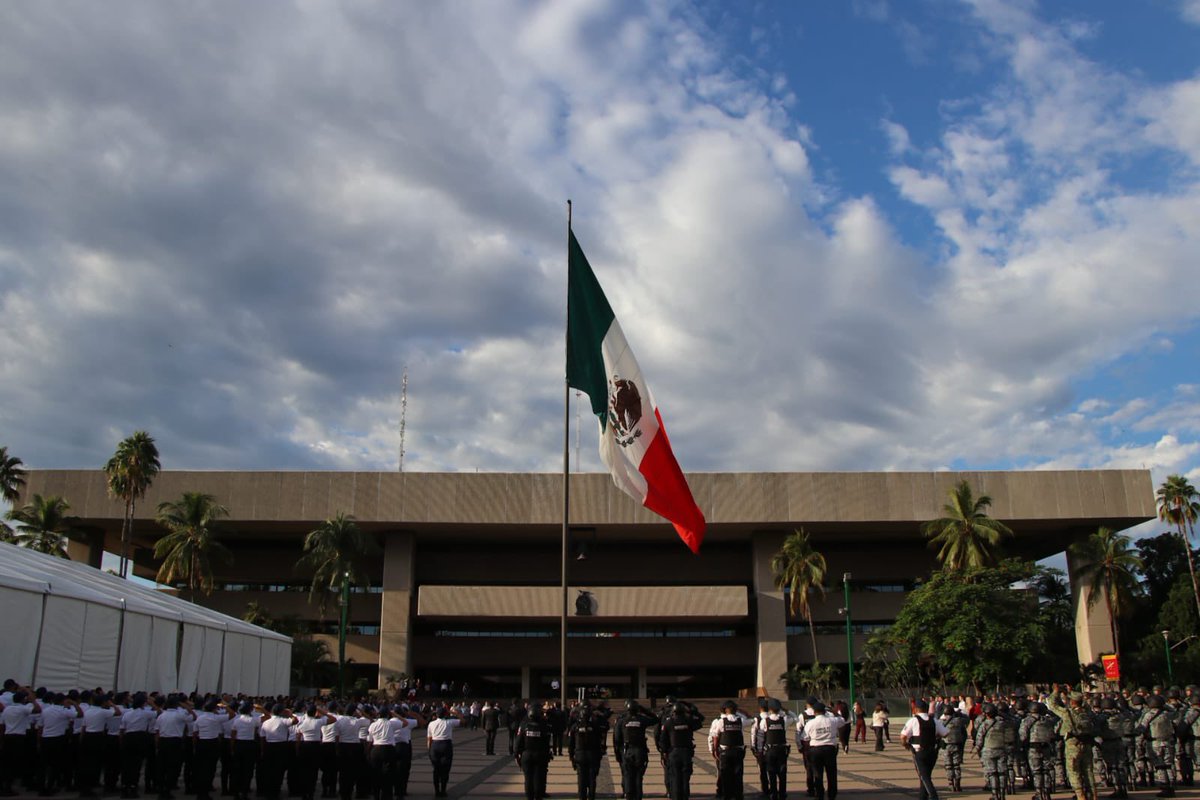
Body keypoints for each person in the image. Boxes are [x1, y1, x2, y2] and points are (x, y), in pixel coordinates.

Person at [1045, 684, 1099, 800]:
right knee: (1088, 771)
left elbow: (1052, 705)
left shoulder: (1068, 713)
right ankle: (1094, 795)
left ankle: (1080, 796)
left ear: (1072, 702)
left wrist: (1056, 691)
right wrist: (1071, 692)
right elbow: (1085, 704)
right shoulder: (1087, 713)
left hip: (1073, 745)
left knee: (1073, 771)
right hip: (1087, 744)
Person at [900, 699, 947, 800]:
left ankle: (933, 796)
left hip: (919, 752)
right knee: (926, 775)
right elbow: (945, 733)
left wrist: (905, 745)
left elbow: (903, 736)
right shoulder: (934, 720)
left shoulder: (913, 720)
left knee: (923, 776)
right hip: (933, 752)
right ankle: (922, 796)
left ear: (916, 709)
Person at [797, 701, 844, 800]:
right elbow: (842, 720)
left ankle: (819, 795)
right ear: (825, 711)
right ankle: (832, 795)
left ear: (814, 712)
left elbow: (804, 737)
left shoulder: (810, 723)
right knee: (831, 774)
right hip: (830, 749)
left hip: (815, 749)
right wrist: (834, 712)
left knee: (817, 774)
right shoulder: (832, 720)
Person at [0, 687, 42, 797]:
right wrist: (33, 700)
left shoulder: (6, 709)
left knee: (6, 763)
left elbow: (2, 726)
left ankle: (4, 786)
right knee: (14, 764)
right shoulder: (22, 709)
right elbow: (38, 710)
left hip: (8, 736)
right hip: (18, 738)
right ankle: (8, 787)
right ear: (23, 700)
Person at [656, 702, 701, 800]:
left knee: (675, 777)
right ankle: (685, 797)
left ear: (673, 712)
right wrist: (690, 707)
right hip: (686, 753)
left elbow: (662, 740)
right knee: (685, 778)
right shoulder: (688, 721)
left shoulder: (668, 722)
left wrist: (664, 752)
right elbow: (700, 719)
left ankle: (676, 797)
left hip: (673, 753)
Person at [614, 700, 657, 800]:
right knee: (638, 777)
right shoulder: (641, 719)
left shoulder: (622, 721)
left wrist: (618, 754)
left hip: (628, 751)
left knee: (628, 776)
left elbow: (617, 739)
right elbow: (655, 719)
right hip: (640, 751)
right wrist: (644, 710)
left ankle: (629, 796)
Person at [752, 699, 794, 800]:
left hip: (770, 750)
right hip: (782, 750)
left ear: (769, 709)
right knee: (782, 772)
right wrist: (785, 710)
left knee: (771, 772)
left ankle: (773, 793)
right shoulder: (784, 720)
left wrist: (760, 750)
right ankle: (782, 794)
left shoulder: (764, 721)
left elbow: (761, 737)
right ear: (779, 709)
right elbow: (794, 717)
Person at [709, 701, 749, 800]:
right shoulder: (741, 720)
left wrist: (715, 750)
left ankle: (727, 795)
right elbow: (750, 718)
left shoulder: (721, 721)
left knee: (726, 775)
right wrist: (740, 711)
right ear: (735, 710)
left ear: (725, 710)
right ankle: (738, 795)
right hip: (738, 752)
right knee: (738, 775)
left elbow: (715, 736)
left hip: (725, 752)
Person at [568, 702, 607, 800]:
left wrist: (571, 757)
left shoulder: (575, 726)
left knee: (581, 779)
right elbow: (600, 740)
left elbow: (571, 744)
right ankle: (591, 797)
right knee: (592, 779)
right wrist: (600, 755)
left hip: (580, 755)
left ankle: (582, 797)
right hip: (592, 755)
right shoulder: (595, 725)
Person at [514, 702, 551, 800]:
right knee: (538, 778)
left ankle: (529, 797)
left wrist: (516, 754)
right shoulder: (543, 725)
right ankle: (538, 796)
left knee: (528, 779)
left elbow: (518, 741)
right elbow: (546, 742)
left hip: (526, 754)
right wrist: (547, 755)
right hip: (539, 754)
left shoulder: (523, 724)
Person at [425, 705, 462, 797]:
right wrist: (453, 712)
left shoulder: (431, 724)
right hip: (446, 745)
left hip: (435, 745)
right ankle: (443, 790)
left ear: (436, 715)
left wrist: (429, 750)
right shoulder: (449, 722)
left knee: (436, 770)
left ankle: (437, 791)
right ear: (445, 714)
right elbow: (463, 720)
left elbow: (429, 739)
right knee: (445, 769)